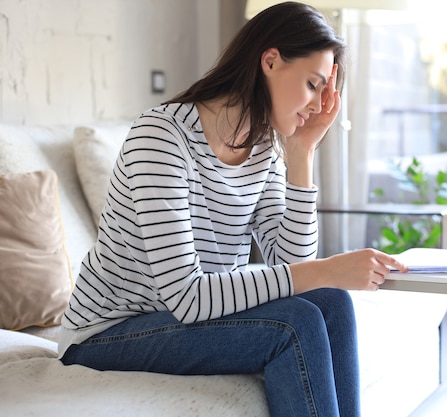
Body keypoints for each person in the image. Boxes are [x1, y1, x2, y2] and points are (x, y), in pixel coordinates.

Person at [59, 2, 407, 416]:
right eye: (313, 84)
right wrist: (329, 269)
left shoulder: (263, 149)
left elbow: (294, 267)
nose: (318, 105)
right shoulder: (161, 137)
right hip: (106, 332)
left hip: (176, 320)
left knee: (331, 302)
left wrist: (301, 155)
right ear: (271, 60)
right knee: (294, 325)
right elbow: (186, 297)